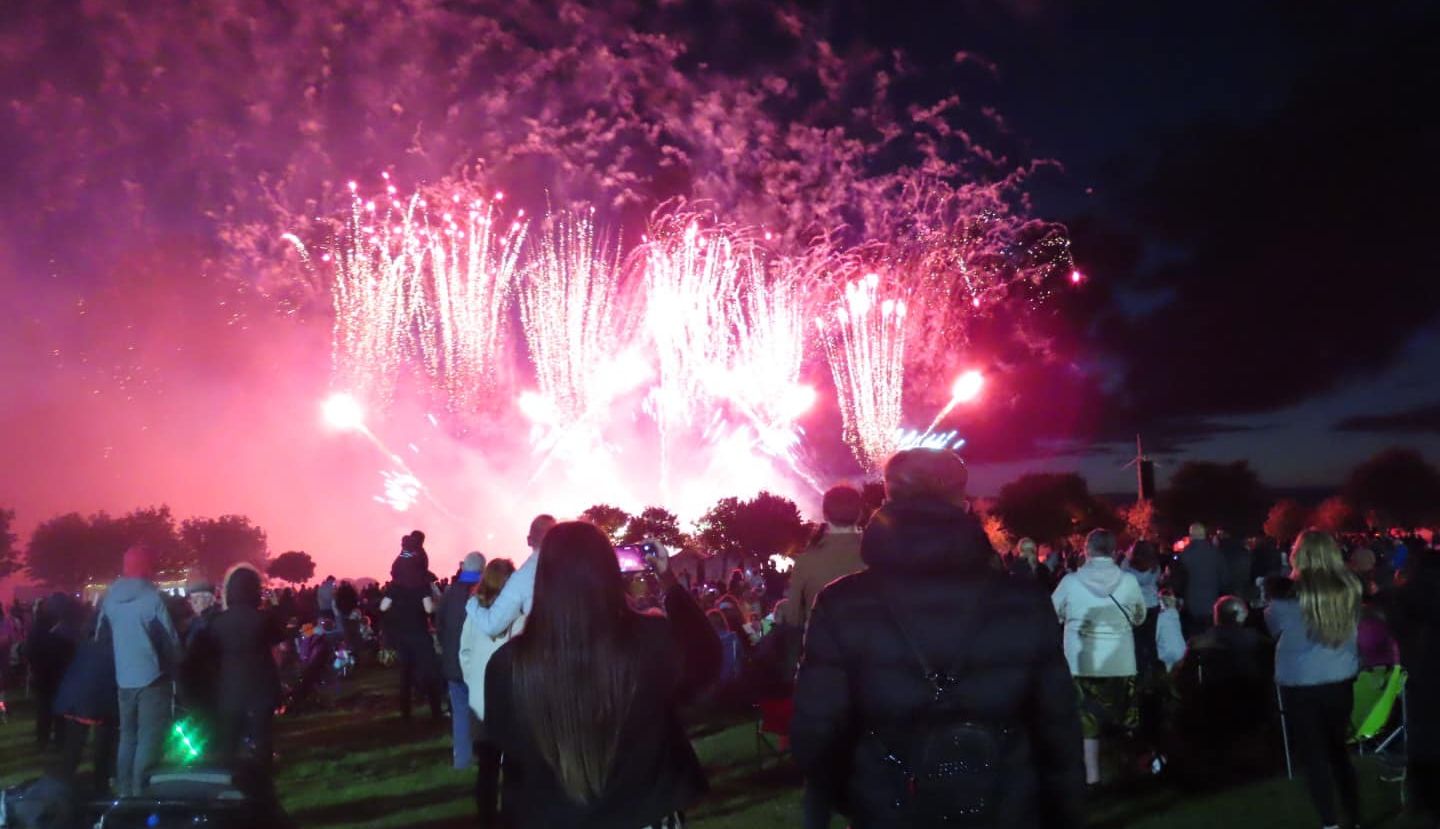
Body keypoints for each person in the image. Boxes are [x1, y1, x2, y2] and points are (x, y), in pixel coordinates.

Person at [793, 449, 1085, 829]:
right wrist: (1064, 811)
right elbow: (1058, 727)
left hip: (889, 807)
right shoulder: (1023, 600)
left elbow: (817, 732)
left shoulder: (840, 603)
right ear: (962, 503)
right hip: (1003, 805)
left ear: (887, 498)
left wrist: (858, 793)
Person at [484, 523, 720, 828]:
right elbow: (706, 661)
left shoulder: (507, 666)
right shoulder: (650, 641)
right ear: (610, 573)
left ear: (543, 578)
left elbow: (509, 748)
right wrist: (668, 581)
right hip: (644, 814)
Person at [1266, 530, 1361, 829]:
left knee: (1314, 755)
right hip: (1340, 678)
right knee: (1338, 751)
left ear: (1299, 554)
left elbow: (1273, 628)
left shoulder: (1284, 596)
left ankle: (1330, 822)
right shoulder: (1351, 589)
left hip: (1301, 683)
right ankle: (1355, 819)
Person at [1052, 528, 1147, 786]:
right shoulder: (1128, 582)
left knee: (1087, 724)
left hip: (1082, 662)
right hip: (1121, 660)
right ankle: (1127, 772)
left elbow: (1053, 614)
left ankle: (1092, 776)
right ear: (1114, 551)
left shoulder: (1070, 583)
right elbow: (1139, 616)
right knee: (1123, 719)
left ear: (1087, 550)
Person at [99, 544, 181, 797]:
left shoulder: (109, 598)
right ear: (148, 566)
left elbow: (100, 636)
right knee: (149, 737)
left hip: (124, 679)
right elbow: (171, 642)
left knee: (127, 737)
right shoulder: (152, 598)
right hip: (152, 679)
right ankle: (141, 791)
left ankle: (124, 791)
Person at [193, 563, 285, 784]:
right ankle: (262, 785)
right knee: (262, 739)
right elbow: (280, 651)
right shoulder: (265, 619)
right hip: (262, 686)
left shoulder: (217, 622)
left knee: (229, 742)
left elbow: (209, 656)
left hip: (230, 688)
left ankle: (228, 786)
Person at [459, 558, 520, 829]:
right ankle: (507, 817)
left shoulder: (474, 613)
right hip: (509, 697)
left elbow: (465, 653)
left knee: (488, 765)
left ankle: (488, 819)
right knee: (510, 765)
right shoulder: (517, 611)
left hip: (482, 697)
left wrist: (473, 681)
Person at [1389, 544, 1440, 824]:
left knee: (1423, 738)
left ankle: (1422, 799)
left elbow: (1397, 631)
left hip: (1420, 676)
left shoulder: (1404, 599)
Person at [780, 485, 865, 629]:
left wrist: (780, 609)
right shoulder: (878, 555)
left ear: (825, 514)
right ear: (859, 514)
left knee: (759, 630)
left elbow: (793, 618)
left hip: (820, 647)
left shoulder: (806, 562)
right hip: (871, 647)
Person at [465, 514, 556, 638]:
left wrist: (472, 603)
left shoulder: (523, 577)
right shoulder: (575, 565)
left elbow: (491, 625)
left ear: (529, 540)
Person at [382, 552, 443, 723]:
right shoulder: (420, 586)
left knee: (405, 675)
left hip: (402, 634)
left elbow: (385, 609)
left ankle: (406, 712)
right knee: (430, 672)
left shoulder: (394, 588)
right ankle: (435, 710)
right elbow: (429, 609)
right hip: (419, 633)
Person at [439, 551, 485, 770]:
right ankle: (485, 755)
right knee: (481, 710)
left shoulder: (449, 592)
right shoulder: (483, 592)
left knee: (459, 712)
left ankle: (462, 760)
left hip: (453, 661)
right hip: (475, 662)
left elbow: (440, 624)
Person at [27, 592, 80, 749]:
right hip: (55, 674)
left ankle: (44, 739)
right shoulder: (59, 628)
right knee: (56, 710)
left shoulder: (41, 628)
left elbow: (31, 650)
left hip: (44, 674)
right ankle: (57, 740)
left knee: (45, 709)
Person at [1175, 523, 1229, 638]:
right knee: (1211, 634)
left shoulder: (1184, 555)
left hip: (1191, 603)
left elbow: (1178, 580)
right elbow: (1224, 578)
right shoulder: (1216, 553)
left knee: (1194, 635)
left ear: (1191, 536)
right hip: (1212, 601)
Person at [1123, 540, 1163, 677]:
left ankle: (1140, 669)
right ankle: (1154, 669)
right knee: (1151, 639)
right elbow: (1157, 580)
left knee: (1137, 640)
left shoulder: (1128, 566)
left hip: (1136, 605)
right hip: (1152, 604)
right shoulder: (1155, 566)